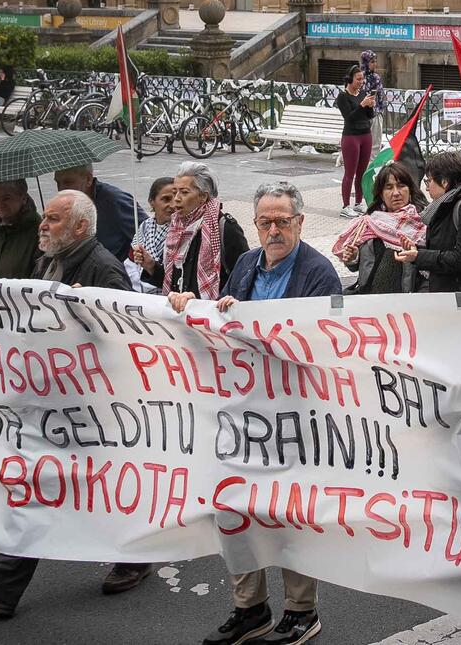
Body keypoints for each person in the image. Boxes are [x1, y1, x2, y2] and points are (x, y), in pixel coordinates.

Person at [0, 191, 152, 616]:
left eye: (54, 220)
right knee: (53, 487)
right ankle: (3, 588)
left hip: (95, 409)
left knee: (71, 487)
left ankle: (133, 556)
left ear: (80, 227)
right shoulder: (47, 261)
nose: (43, 225)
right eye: (45, 218)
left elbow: (128, 338)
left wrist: (88, 311)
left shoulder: (102, 268)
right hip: (58, 401)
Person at [172, 182, 337, 645]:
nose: (273, 230)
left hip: (293, 414)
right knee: (236, 508)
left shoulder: (319, 273)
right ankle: (251, 608)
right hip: (242, 414)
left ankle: (301, 611)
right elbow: (222, 329)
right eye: (264, 222)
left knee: (287, 512)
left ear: (301, 222)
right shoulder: (245, 265)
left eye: (283, 220)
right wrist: (197, 308)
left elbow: (318, 344)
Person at [395, 150, 461, 293]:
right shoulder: (445, 205)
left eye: (429, 180)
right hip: (445, 291)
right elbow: (443, 249)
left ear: (444, 182)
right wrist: (417, 251)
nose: (426, 187)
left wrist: (419, 256)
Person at [333, 160, 426, 295]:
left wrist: (417, 256)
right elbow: (357, 267)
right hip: (370, 300)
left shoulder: (422, 224)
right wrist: (353, 258)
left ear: (410, 190)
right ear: (381, 194)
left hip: (406, 303)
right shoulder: (369, 223)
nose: (396, 193)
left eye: (401, 186)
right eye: (389, 187)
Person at [163, 161, 248, 299]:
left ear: (203, 196)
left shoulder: (224, 228)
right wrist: (150, 266)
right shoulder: (175, 228)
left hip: (213, 315)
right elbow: (172, 277)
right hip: (180, 315)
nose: (177, 198)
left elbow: (244, 279)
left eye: (184, 192)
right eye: (175, 192)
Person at [52, 162, 137, 262]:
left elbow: (145, 233)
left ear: (88, 179)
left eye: (68, 182)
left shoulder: (114, 201)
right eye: (58, 183)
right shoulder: (65, 205)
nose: (61, 189)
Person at [334, 65, 379, 218]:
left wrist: (370, 105)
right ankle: (345, 206)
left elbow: (368, 115)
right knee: (350, 173)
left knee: (362, 172)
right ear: (349, 79)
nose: (361, 82)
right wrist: (361, 105)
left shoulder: (363, 94)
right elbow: (349, 117)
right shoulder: (343, 96)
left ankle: (359, 203)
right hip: (351, 137)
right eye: (358, 79)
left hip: (365, 135)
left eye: (362, 79)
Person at [129, 176, 176, 292]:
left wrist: (152, 266)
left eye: (176, 199)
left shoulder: (182, 232)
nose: (173, 205)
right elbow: (131, 263)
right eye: (166, 199)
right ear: (152, 202)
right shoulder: (145, 227)